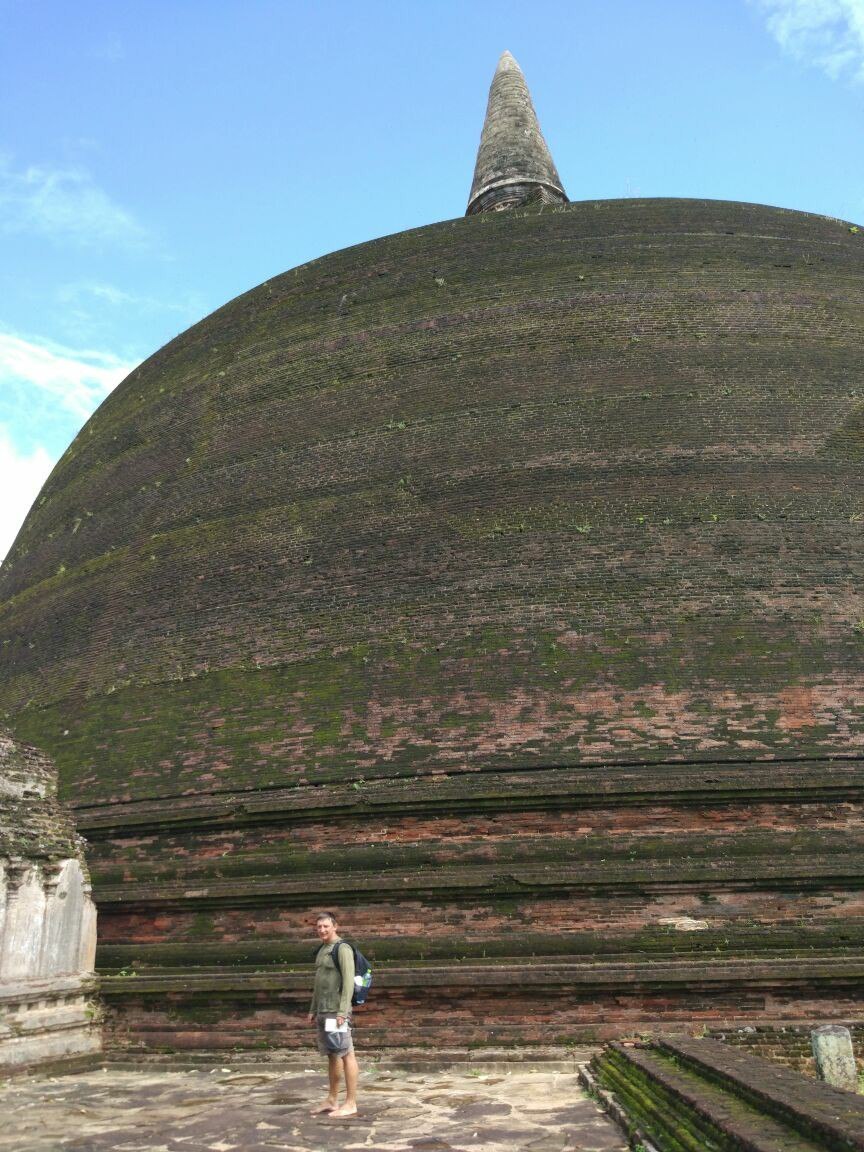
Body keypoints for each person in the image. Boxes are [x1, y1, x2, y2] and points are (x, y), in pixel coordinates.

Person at [307, 910, 359, 1118]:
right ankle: (332, 1099)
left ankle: (351, 1102)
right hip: (323, 1010)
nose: (322, 930)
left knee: (346, 1053)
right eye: (319, 927)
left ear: (335, 926)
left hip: (336, 1011)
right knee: (332, 1054)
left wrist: (343, 1011)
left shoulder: (342, 948)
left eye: (326, 926)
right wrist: (312, 1009)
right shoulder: (322, 949)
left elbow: (348, 982)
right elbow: (318, 982)